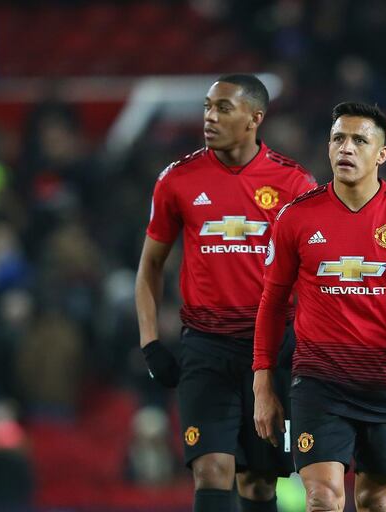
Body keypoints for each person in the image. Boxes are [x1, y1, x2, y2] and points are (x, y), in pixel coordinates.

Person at [252, 102, 386, 512]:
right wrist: (262, 382)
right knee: (323, 497)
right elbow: (272, 304)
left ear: (381, 154)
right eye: (338, 139)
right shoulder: (296, 218)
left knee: (375, 501)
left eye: (359, 140)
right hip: (318, 383)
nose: (346, 148)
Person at [135, 74, 315, 512]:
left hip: (271, 350)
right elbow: (150, 267)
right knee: (211, 469)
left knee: (258, 482)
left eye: (223, 109)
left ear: (255, 118)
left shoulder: (294, 185)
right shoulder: (177, 180)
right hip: (205, 347)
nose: (210, 118)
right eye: (207, 107)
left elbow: (315, 274)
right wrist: (150, 342)